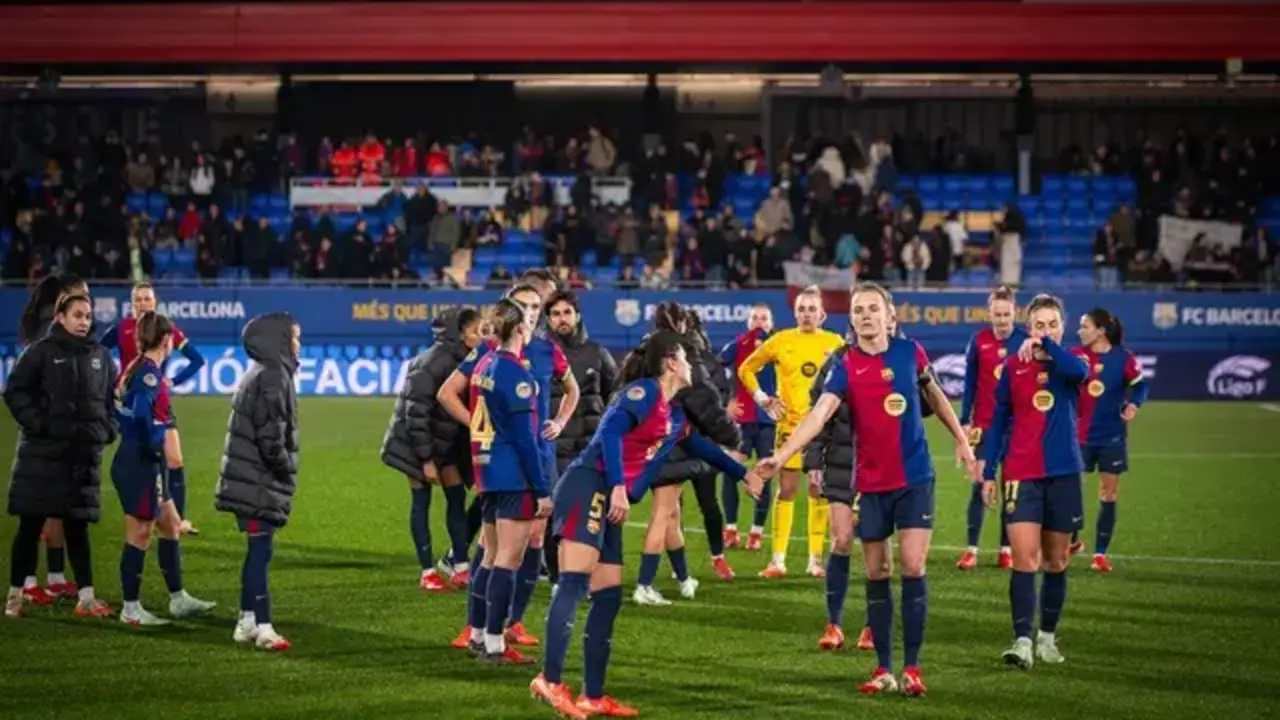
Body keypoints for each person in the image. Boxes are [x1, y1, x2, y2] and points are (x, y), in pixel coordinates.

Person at [530, 331, 765, 718]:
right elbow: (608, 433)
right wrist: (619, 485)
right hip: (590, 485)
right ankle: (550, 680)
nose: (693, 365)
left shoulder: (673, 415)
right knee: (574, 581)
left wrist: (743, 475)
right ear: (671, 361)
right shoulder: (643, 393)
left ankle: (592, 695)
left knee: (607, 596)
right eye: (687, 358)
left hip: (611, 500)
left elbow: (700, 447)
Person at [757, 283, 976, 697]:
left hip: (913, 479)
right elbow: (819, 414)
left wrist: (963, 442)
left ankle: (912, 668)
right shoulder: (845, 364)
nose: (865, 316)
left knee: (912, 565)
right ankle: (883, 669)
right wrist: (783, 455)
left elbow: (936, 395)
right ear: (852, 318)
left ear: (889, 316)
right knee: (878, 571)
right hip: (870, 484)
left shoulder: (910, 354)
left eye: (873, 309)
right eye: (859, 310)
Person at [440, 281, 578, 649]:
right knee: (496, 549)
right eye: (524, 306)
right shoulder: (492, 353)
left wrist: (560, 423)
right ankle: (482, 630)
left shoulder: (547, 351)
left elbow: (572, 391)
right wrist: (480, 426)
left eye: (537, 306)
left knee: (529, 541)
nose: (531, 313)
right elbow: (447, 392)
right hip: (516, 462)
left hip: (533, 456)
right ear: (510, 313)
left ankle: (508, 623)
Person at [981, 294, 1089, 669]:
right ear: (1028, 328)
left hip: (1063, 473)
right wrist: (988, 469)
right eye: (1039, 325)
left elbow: (1079, 375)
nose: (1046, 331)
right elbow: (998, 421)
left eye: (1052, 324)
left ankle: (1047, 637)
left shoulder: (1072, 362)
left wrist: (1047, 348)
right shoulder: (1013, 367)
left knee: (1057, 561)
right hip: (1022, 473)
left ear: (1063, 327)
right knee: (1025, 559)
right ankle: (1022, 639)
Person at [5, 293, 117, 619]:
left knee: (78, 529)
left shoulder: (100, 356)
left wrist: (107, 430)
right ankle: (14, 597)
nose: (84, 321)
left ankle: (86, 598)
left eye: (87, 316)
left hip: (82, 459)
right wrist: (37, 425)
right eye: (77, 315)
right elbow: (15, 390)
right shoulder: (40, 353)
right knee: (30, 527)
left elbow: (110, 401)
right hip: (41, 458)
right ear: (61, 318)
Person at [462, 299, 553, 664]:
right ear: (518, 330)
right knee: (507, 561)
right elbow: (524, 440)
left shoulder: (484, 363)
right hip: (513, 476)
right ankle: (496, 644)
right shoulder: (517, 375)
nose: (531, 327)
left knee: (489, 556)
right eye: (529, 321)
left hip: (486, 471)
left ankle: (479, 634)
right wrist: (543, 489)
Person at [111, 311, 217, 626]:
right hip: (139, 461)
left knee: (170, 524)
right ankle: (130, 609)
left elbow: (118, 405)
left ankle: (178, 599)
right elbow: (143, 414)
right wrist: (150, 442)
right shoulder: (149, 374)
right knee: (140, 534)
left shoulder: (136, 367)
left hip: (141, 458)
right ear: (166, 340)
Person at [633, 303, 742, 604]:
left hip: (651, 442)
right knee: (663, 514)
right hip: (675, 443)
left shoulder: (643, 352)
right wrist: (732, 438)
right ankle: (644, 584)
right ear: (681, 325)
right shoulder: (681, 354)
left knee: (671, 515)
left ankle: (683, 578)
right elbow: (705, 399)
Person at [737, 285, 844, 578]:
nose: (806, 314)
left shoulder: (836, 343)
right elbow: (746, 369)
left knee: (817, 489)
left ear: (822, 314)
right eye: (801, 309)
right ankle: (778, 561)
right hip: (789, 427)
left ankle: (815, 561)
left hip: (823, 429)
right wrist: (763, 399)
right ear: (795, 313)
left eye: (812, 309)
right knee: (787, 489)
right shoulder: (782, 340)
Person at [380, 308, 484, 592]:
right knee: (421, 501)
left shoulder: (470, 361)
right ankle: (427, 572)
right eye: (476, 331)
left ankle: (460, 567)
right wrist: (426, 460)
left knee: (455, 497)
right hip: (414, 443)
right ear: (460, 333)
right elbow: (416, 416)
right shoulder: (430, 363)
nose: (481, 336)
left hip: (445, 442)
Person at [215, 313, 301, 652]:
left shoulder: (264, 373)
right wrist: (286, 468)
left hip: (249, 479)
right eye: (294, 337)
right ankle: (263, 627)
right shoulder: (274, 377)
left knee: (257, 550)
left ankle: (246, 620)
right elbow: (271, 439)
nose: (298, 344)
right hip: (257, 481)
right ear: (279, 340)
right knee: (260, 552)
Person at [101, 283, 207, 536]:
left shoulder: (166, 330)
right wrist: (113, 382)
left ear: (155, 302)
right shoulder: (122, 328)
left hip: (158, 402)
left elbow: (197, 359)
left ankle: (176, 521)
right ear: (132, 303)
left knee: (175, 459)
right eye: (138, 299)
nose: (143, 303)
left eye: (147, 298)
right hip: (134, 402)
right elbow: (97, 353)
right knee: (143, 457)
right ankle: (148, 514)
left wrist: (173, 381)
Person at [13, 273, 91, 602]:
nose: (86, 301)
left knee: (56, 510)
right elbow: (23, 387)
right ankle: (31, 582)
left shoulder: (50, 328)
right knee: (41, 511)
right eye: (81, 295)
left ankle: (52, 577)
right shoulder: (49, 336)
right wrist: (41, 422)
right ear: (63, 299)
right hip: (45, 437)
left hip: (54, 434)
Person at [543, 290, 619, 586]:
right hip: (554, 449)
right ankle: (556, 578)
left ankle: (593, 575)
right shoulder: (541, 354)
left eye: (566, 313)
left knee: (593, 514)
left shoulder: (597, 353)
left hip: (589, 450)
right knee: (554, 515)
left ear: (577, 316)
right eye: (555, 314)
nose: (562, 319)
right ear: (548, 320)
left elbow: (615, 393)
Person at [956, 286, 1028, 571]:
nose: (1001, 320)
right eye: (997, 314)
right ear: (989, 314)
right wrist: (965, 420)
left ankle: (1005, 550)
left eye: (1006, 314)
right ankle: (972, 549)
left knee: (1009, 489)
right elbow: (970, 384)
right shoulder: (979, 342)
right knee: (977, 487)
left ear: (1015, 313)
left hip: (1016, 429)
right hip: (984, 428)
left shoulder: (1025, 342)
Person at [1073, 308, 1148, 573]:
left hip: (1111, 438)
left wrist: (1134, 404)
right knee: (1069, 490)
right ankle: (1072, 538)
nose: (1079, 331)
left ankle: (1100, 555)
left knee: (1108, 494)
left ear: (1101, 330)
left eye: (1085, 326)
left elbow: (1140, 386)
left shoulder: (1123, 359)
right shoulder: (1075, 356)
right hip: (1077, 437)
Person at [719, 303, 777, 551]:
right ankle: (730, 528)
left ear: (771, 323)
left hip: (768, 421)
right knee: (731, 469)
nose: (759, 322)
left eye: (764, 318)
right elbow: (715, 368)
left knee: (764, 472)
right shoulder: (738, 344)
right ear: (748, 322)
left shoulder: (780, 344)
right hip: (742, 420)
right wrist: (726, 401)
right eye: (755, 318)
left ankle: (756, 532)